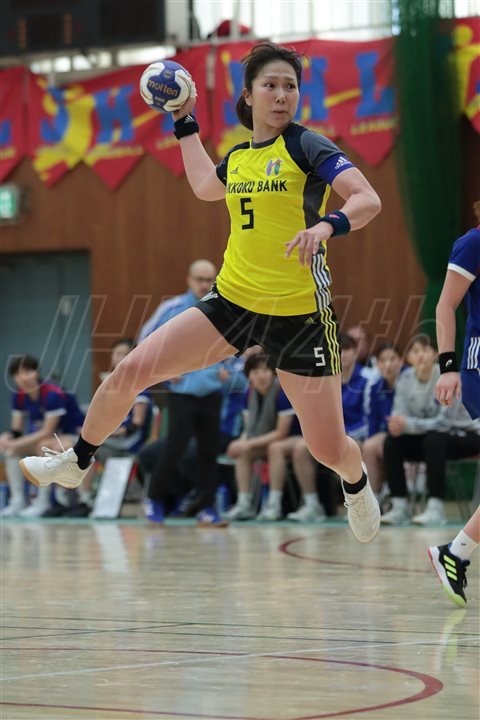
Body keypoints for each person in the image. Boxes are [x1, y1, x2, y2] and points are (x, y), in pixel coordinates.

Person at [20, 42, 382, 544]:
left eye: (290, 86)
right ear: (249, 95)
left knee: (327, 448)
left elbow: (367, 198)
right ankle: (76, 461)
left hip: (299, 313)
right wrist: (183, 120)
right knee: (130, 372)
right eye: (270, 85)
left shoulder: (307, 146)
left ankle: (355, 481)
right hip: (232, 301)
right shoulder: (239, 158)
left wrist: (325, 226)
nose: (281, 95)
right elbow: (205, 186)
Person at [429, 199, 480, 607]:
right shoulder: (473, 243)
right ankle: (455, 552)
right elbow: (445, 304)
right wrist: (447, 367)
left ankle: (456, 552)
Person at [380, 335, 480, 526]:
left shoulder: (448, 377)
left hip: (467, 435)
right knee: (392, 442)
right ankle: (399, 506)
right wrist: (401, 425)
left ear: (435, 355)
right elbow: (398, 416)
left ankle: (436, 508)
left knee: (434, 439)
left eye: (426, 350)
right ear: (408, 358)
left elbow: (444, 423)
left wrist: (408, 425)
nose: (421, 356)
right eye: (415, 351)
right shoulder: (404, 379)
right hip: (430, 438)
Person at [0, 355, 84, 517]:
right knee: (11, 451)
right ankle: (18, 500)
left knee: (44, 447)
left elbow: (47, 431)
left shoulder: (52, 394)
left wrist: (16, 442)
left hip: (73, 436)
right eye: (18, 373)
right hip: (49, 439)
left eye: (28, 371)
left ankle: (43, 501)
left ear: (37, 373)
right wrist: (7, 438)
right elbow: (16, 430)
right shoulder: (19, 395)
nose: (24, 377)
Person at [224, 352, 299, 520]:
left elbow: (281, 433)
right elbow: (248, 429)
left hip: (294, 438)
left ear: (273, 372)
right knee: (242, 452)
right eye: (255, 371)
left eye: (265, 370)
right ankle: (244, 504)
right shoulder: (248, 394)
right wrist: (240, 442)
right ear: (248, 375)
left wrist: (250, 443)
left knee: (275, 448)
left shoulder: (282, 392)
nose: (261, 376)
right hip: (265, 440)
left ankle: (274, 505)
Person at [362, 342, 403, 495]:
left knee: (385, 446)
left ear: (401, 361)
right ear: (377, 364)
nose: (388, 364)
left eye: (392, 359)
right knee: (369, 446)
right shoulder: (375, 387)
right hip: (387, 433)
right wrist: (373, 438)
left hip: (408, 430)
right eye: (383, 360)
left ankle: (394, 494)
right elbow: (372, 419)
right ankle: (372, 497)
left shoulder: (408, 381)